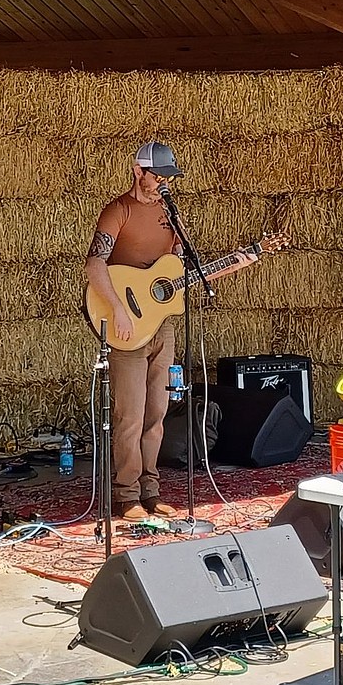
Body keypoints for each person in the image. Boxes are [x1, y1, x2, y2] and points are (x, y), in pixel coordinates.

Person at [84, 141, 253, 522]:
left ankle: (150, 489)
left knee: (157, 412)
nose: (161, 182)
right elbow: (95, 265)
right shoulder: (118, 210)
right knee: (129, 414)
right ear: (137, 171)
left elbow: (178, 273)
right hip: (126, 326)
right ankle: (125, 495)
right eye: (155, 175)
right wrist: (118, 309)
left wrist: (230, 265)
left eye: (166, 176)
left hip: (162, 325)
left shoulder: (169, 215)